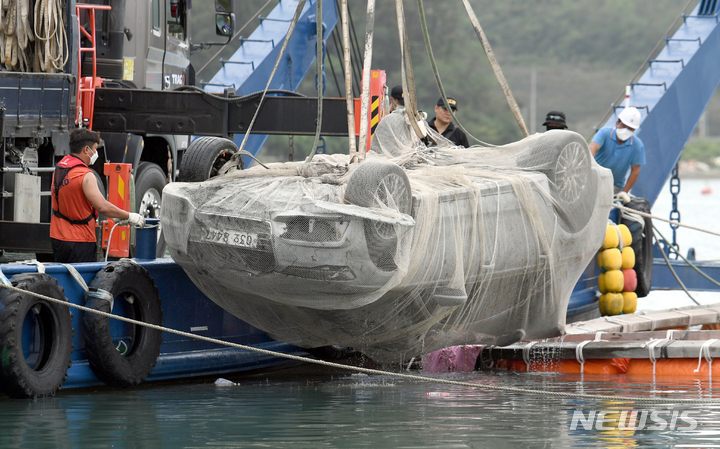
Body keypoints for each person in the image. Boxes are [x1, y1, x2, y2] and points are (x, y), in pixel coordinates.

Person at [50, 128, 145, 263]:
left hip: (58, 237)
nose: (96, 153)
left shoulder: (60, 168)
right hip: (80, 241)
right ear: (86, 150)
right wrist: (128, 216)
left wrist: (115, 216)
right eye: (95, 149)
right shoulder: (85, 175)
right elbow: (102, 206)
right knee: (82, 281)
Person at [589, 106, 645, 195]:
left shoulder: (637, 145)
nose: (626, 130)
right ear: (617, 123)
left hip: (613, 186)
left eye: (630, 128)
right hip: (593, 181)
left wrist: (624, 192)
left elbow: (635, 170)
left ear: (634, 130)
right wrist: (590, 165)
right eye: (623, 126)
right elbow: (593, 147)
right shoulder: (605, 133)